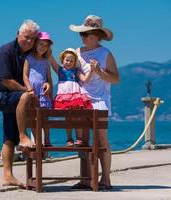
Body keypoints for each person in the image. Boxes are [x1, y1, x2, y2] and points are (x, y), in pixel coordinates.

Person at [0, 20, 51, 188]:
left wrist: (47, 82)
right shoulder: (6, 51)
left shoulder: (31, 53)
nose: (29, 41)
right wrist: (27, 91)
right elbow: (6, 81)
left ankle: (7, 176)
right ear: (18, 33)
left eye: (32, 39)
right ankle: (25, 137)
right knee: (25, 98)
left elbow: (41, 65)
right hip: (1, 95)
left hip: (17, 98)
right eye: (26, 37)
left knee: (9, 136)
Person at [69, 15, 119, 190]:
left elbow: (115, 79)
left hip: (100, 102)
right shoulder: (76, 52)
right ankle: (85, 179)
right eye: (82, 34)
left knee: (101, 142)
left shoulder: (105, 54)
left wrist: (99, 71)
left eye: (87, 33)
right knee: (81, 140)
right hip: (81, 102)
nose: (83, 37)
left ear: (98, 35)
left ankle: (105, 179)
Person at [49, 48, 93, 147]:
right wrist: (49, 53)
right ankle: (69, 139)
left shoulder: (76, 71)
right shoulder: (60, 70)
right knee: (67, 118)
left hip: (75, 96)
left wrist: (91, 71)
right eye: (67, 60)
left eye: (71, 61)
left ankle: (79, 138)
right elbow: (51, 61)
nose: (69, 62)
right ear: (62, 60)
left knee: (77, 116)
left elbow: (85, 79)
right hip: (64, 97)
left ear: (74, 63)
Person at [23, 31, 53, 147]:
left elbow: (49, 78)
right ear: (35, 44)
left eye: (45, 45)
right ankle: (36, 140)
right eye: (41, 44)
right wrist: (29, 89)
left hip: (43, 93)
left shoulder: (46, 62)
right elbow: (25, 75)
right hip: (32, 92)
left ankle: (47, 140)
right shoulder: (29, 58)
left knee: (45, 117)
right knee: (32, 117)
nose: (43, 47)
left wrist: (49, 86)